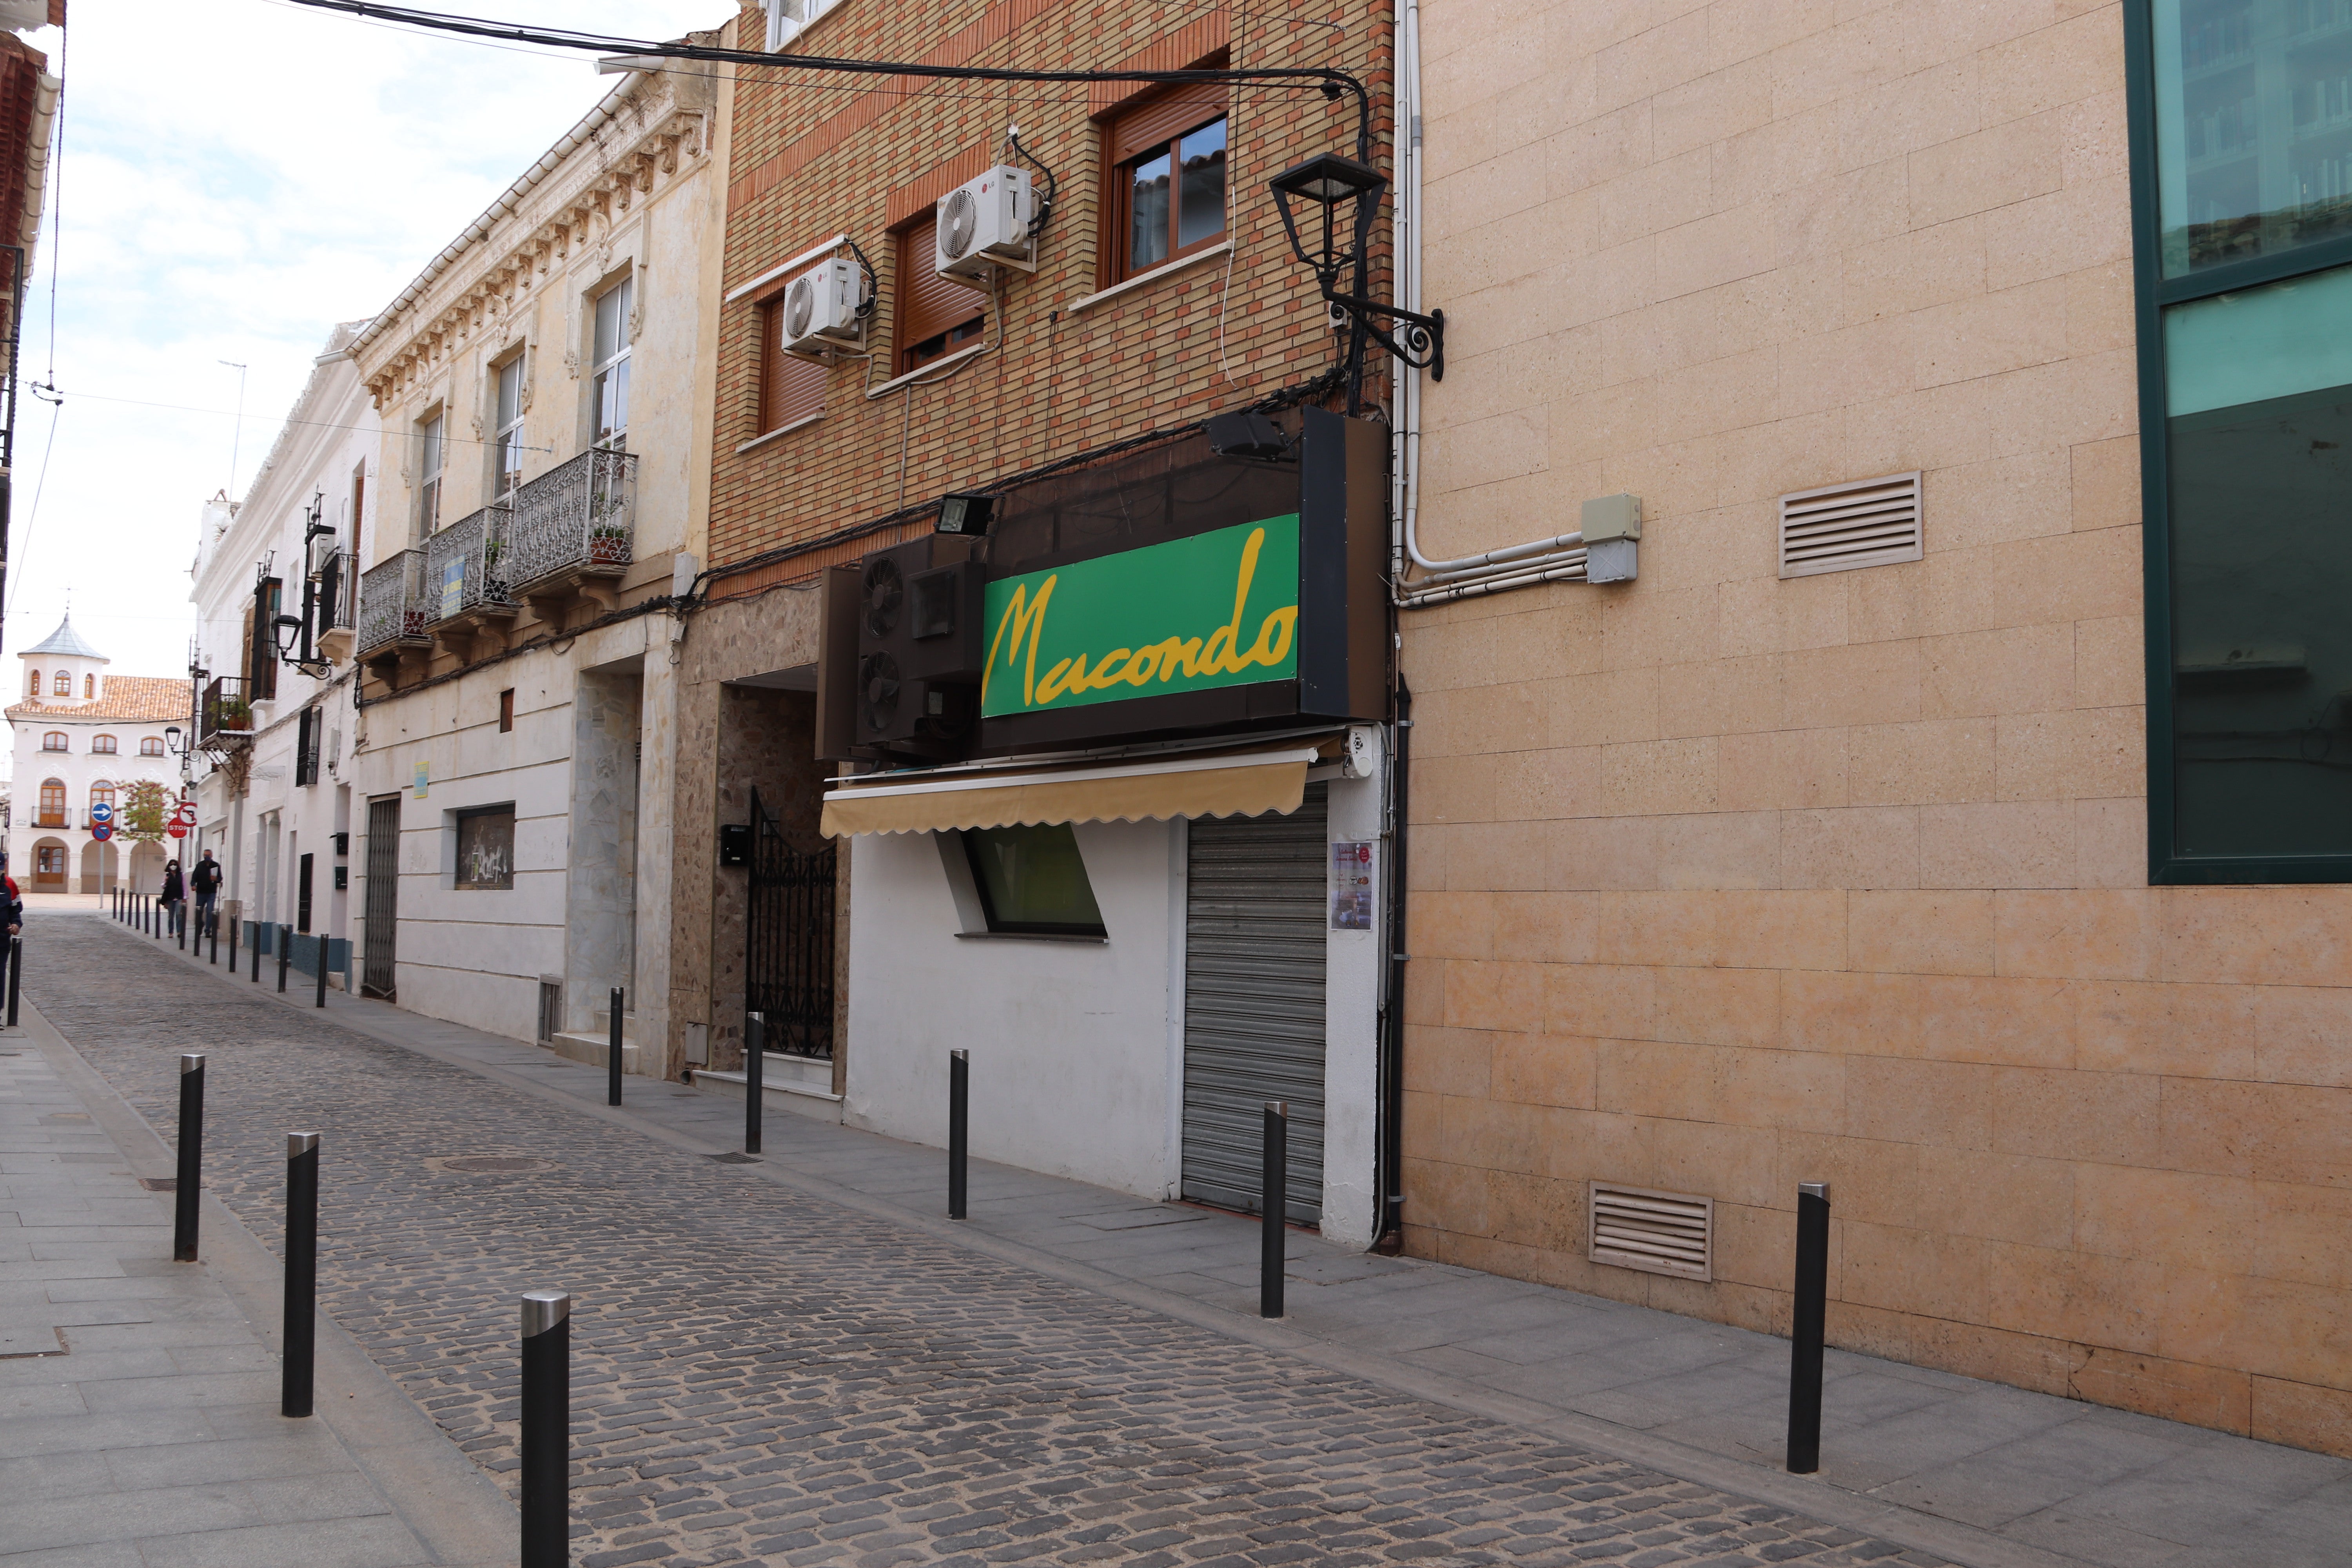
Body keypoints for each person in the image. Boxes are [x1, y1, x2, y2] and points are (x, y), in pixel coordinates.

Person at [190, 850, 221, 939]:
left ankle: (208, 930)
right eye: (205, 855)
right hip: (201, 892)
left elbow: (220, 878)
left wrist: (216, 879)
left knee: (210, 911)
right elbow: (194, 878)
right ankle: (200, 925)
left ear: (212, 855)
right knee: (199, 911)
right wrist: (193, 885)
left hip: (211, 892)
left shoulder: (216, 865)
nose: (206, 857)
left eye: (208, 855)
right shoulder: (200, 865)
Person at [160, 858, 185, 939]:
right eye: (171, 865)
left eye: (175, 865)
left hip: (179, 897)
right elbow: (163, 886)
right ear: (169, 866)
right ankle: (171, 932)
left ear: (177, 866)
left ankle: (179, 931)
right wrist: (166, 881)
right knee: (171, 916)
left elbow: (184, 887)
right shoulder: (167, 875)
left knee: (179, 914)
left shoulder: (181, 875)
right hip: (170, 898)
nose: (173, 866)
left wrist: (185, 897)